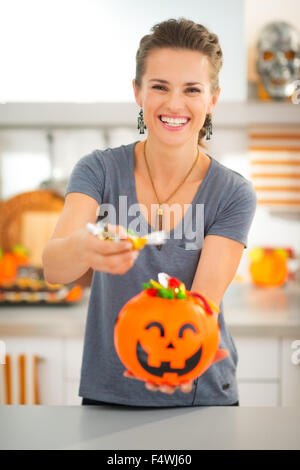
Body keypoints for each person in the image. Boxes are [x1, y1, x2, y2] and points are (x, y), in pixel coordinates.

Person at [42, 18, 257, 407]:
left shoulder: (232, 192)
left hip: (200, 392)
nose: (175, 104)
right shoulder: (99, 171)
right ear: (138, 92)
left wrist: (180, 367)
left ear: (212, 99)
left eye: (192, 89)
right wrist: (86, 247)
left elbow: (202, 305)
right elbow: (54, 268)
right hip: (109, 394)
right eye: (160, 86)